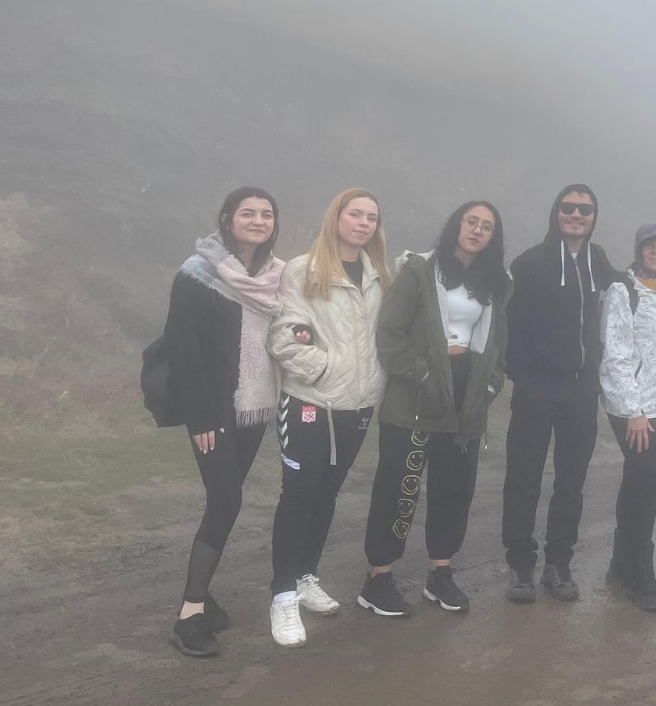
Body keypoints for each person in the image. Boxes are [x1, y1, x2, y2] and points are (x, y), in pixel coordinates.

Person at [361, 202, 511, 615]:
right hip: (416, 392)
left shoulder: (496, 282)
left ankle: (440, 573)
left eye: (487, 227)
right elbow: (390, 333)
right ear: (456, 225)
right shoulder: (419, 270)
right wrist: (423, 375)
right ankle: (378, 577)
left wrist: (491, 383)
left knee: (454, 488)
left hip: (467, 396)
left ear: (493, 237)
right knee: (399, 486)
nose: (477, 230)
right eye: (471, 222)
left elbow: (499, 342)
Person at [160, 188, 285, 657]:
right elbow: (182, 348)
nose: (258, 220)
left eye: (266, 214)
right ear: (228, 218)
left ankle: (201, 593)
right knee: (227, 500)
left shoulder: (277, 277)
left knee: (224, 500)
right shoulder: (198, 273)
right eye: (247, 213)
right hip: (213, 411)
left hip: (256, 406)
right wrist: (201, 416)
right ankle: (189, 614)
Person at [265, 188, 390, 647]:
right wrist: (325, 371)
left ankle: (305, 576)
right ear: (336, 217)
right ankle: (282, 595)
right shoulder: (304, 269)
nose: (363, 223)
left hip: (358, 405)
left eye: (371, 217)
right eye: (355, 214)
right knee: (299, 493)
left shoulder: (380, 276)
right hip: (309, 403)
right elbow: (285, 336)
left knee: (326, 492)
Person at [502, 184, 618, 605]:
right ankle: (520, 564)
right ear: (556, 212)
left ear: (594, 217)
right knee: (523, 478)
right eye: (568, 207)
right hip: (536, 386)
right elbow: (510, 321)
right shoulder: (529, 262)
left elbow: (628, 288)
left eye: (585, 209)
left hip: (580, 389)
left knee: (571, 481)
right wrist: (519, 373)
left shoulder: (597, 260)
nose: (576, 215)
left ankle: (558, 563)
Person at [598, 224, 656, 612]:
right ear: (639, 251)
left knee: (636, 482)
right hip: (633, 410)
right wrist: (633, 411)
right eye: (649, 246)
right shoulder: (624, 291)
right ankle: (640, 574)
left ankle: (620, 566)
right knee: (649, 483)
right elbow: (615, 354)